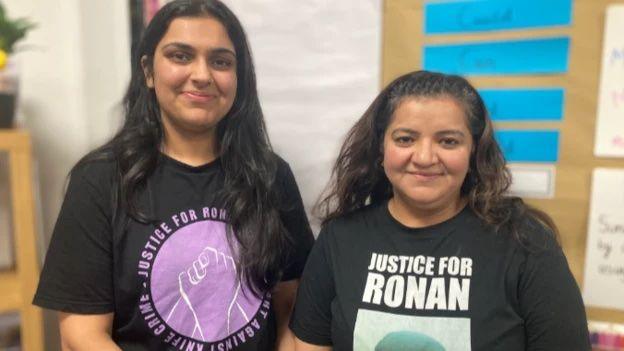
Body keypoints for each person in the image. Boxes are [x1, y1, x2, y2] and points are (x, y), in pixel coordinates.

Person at [33, 1, 314, 350]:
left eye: (221, 61)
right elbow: (82, 333)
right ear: (149, 72)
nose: (201, 74)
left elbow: (294, 310)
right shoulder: (100, 180)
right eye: (181, 56)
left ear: (239, 78)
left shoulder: (272, 177)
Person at [289, 71, 590, 351]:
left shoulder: (525, 244)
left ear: (473, 151)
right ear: (381, 148)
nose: (424, 157)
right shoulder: (340, 239)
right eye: (405, 138)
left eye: (448, 141)